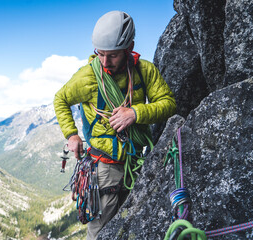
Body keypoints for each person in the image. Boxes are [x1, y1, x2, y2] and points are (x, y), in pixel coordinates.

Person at [54, 10, 176, 239]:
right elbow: (60, 99)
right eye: (100, 54)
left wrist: (136, 113)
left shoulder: (144, 71)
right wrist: (72, 135)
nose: (104, 62)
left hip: (136, 163)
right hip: (103, 167)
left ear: (129, 48)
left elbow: (168, 104)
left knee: (132, 227)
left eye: (112, 56)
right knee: (100, 233)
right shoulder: (88, 77)